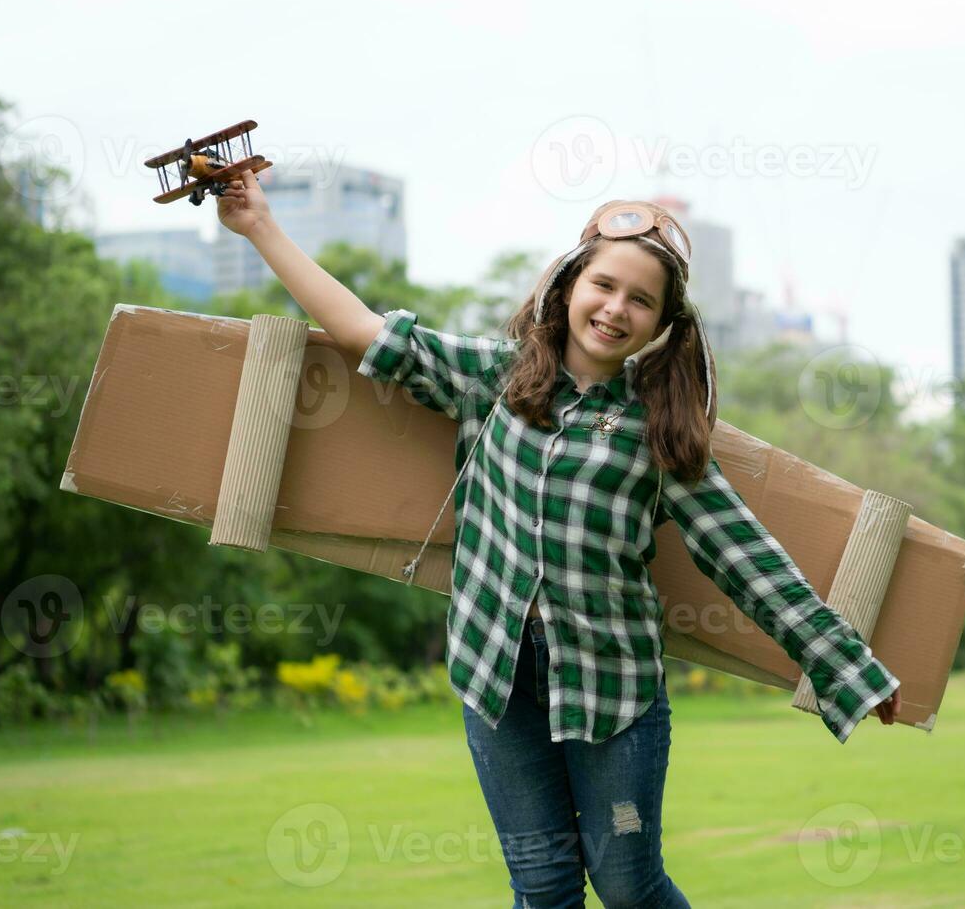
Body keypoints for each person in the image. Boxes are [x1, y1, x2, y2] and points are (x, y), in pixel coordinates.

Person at [218, 171, 902, 908]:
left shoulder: (662, 437)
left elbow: (750, 562)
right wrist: (259, 225)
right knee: (542, 889)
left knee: (628, 885)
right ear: (570, 284)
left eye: (641, 300)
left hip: (614, 689)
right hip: (497, 675)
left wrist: (848, 666)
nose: (616, 309)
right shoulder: (497, 379)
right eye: (604, 286)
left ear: (664, 324)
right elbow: (363, 332)